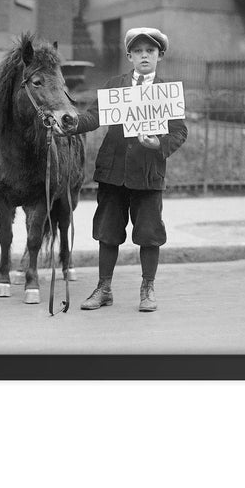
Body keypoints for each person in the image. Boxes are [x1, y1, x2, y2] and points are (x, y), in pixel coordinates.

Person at [74, 27, 187, 312]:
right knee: (107, 231)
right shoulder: (115, 85)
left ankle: (147, 288)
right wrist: (70, 123)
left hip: (148, 174)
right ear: (129, 56)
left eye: (150, 51)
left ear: (159, 56)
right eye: (138, 51)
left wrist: (157, 144)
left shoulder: (166, 93)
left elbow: (179, 132)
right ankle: (104, 288)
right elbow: (93, 116)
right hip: (113, 173)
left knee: (149, 233)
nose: (144, 56)